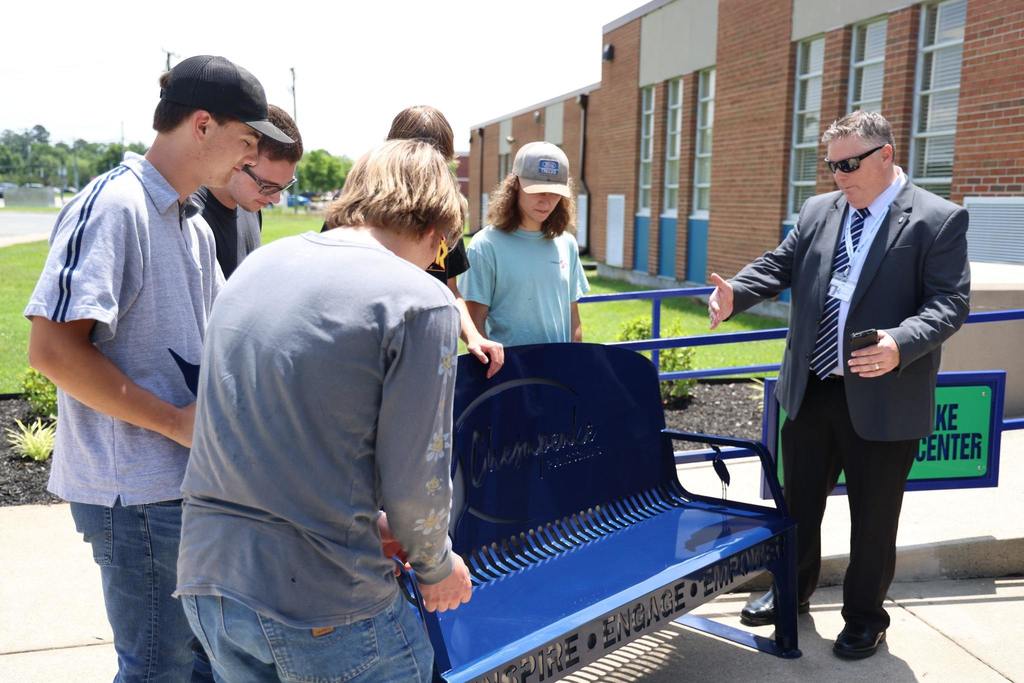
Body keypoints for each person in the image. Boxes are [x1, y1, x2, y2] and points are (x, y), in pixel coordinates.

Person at [24, 55, 292, 681]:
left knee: (197, 666)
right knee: (157, 670)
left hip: (183, 487)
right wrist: (174, 422)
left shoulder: (192, 224)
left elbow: (229, 340)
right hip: (136, 496)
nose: (250, 158)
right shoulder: (116, 205)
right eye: (246, 140)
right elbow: (52, 350)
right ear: (202, 125)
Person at [176, 139, 474, 682]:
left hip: (211, 578)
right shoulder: (421, 300)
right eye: (441, 253)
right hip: (325, 598)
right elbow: (417, 478)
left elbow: (270, 429)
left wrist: (369, 517)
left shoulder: (260, 265)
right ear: (437, 229)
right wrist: (438, 566)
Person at [708, 111, 970, 660]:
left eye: (848, 164)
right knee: (797, 506)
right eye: (830, 165)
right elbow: (781, 264)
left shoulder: (937, 219)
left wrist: (899, 342)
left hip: (883, 391)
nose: (837, 176)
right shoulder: (818, 211)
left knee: (874, 519)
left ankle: (865, 619)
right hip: (812, 388)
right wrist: (737, 292)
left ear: (885, 155)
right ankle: (792, 592)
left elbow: (949, 302)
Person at [324, 104, 504, 377]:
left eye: (436, 160)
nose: (425, 168)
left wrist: (473, 336)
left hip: (426, 351)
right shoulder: (356, 205)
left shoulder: (445, 211)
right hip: (364, 351)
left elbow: (450, 290)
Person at [461, 141, 589, 346]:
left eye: (555, 192)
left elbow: (573, 316)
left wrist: (576, 358)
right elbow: (475, 325)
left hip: (559, 364)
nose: (546, 200)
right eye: (538, 190)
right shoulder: (485, 246)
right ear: (515, 185)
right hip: (510, 365)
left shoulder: (567, 244)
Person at [193, 104, 303, 278]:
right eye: (266, 186)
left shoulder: (251, 209)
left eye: (284, 186)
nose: (275, 199)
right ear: (240, 160)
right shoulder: (192, 220)